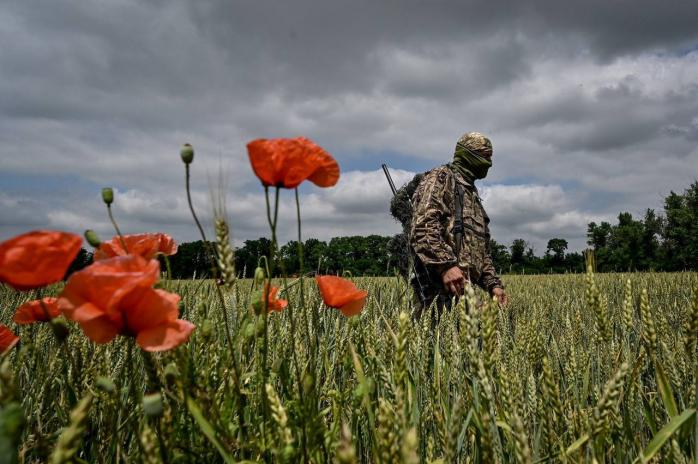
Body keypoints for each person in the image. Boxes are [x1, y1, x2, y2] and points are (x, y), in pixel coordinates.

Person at [409, 132, 507, 319]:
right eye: (485, 156)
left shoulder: (473, 196)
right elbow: (423, 226)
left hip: (464, 291)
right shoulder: (441, 177)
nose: (490, 163)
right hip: (437, 288)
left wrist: (493, 285)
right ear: (468, 155)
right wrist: (446, 266)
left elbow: (481, 250)